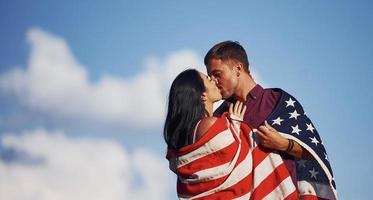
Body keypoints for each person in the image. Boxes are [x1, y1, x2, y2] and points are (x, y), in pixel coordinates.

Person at [204, 41, 337, 199]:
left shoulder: (276, 101)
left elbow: (314, 152)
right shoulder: (219, 116)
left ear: (238, 69)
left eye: (217, 74)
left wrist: (283, 144)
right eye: (210, 76)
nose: (213, 81)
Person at [164, 69, 299, 199]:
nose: (213, 80)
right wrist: (236, 126)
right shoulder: (209, 124)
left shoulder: (187, 134)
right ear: (202, 95)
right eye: (208, 79)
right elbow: (232, 156)